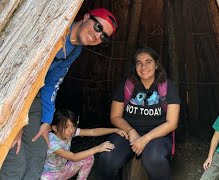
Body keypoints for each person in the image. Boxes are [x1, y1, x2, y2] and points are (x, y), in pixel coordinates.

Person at [0, 8, 118, 180]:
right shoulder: (56, 31)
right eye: (98, 27)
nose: (97, 35)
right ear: (86, 17)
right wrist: (13, 123)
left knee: (39, 152)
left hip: (33, 98)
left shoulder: (75, 50)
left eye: (104, 36)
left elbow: (52, 83)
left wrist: (47, 121)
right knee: (16, 160)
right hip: (9, 96)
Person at [97, 47, 180, 180]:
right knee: (107, 158)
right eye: (139, 63)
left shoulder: (167, 87)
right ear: (135, 66)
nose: (143, 67)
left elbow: (172, 123)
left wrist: (145, 139)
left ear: (156, 64)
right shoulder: (127, 85)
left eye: (148, 62)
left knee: (154, 159)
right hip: (126, 133)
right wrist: (131, 131)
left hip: (157, 135)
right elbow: (115, 116)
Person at [40, 109, 127, 180]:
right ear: (55, 128)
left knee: (88, 157)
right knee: (44, 178)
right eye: (66, 127)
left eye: (73, 125)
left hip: (63, 170)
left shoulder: (70, 133)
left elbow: (93, 132)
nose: (71, 130)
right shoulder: (51, 141)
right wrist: (97, 149)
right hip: (51, 175)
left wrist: (115, 130)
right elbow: (73, 157)